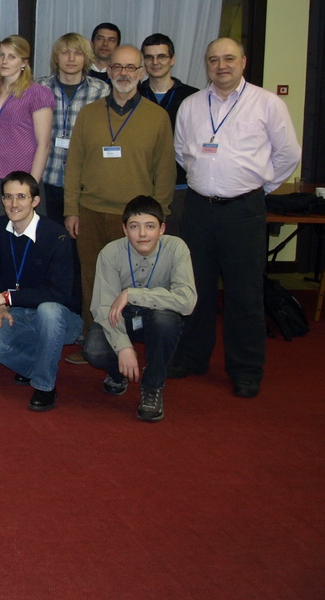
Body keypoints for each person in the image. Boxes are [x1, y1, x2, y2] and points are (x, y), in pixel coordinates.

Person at [170, 38, 301, 398]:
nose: (221, 65)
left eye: (229, 58)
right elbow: (182, 151)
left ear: (243, 61)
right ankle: (192, 357)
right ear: (207, 64)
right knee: (195, 288)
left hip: (244, 210)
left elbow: (289, 154)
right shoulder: (192, 105)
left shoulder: (267, 103)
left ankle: (245, 370)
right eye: (214, 59)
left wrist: (260, 186)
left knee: (244, 294)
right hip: (199, 209)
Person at [63, 45, 175, 362]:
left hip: (135, 220)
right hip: (90, 213)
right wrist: (71, 209)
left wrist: (156, 220)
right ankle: (92, 343)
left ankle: (129, 345)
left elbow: (165, 172)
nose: (123, 73)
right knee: (92, 281)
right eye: (117, 67)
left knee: (135, 285)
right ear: (108, 71)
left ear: (141, 72)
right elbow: (74, 165)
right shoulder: (89, 114)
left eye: (130, 67)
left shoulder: (157, 117)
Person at [87, 195, 197, 422]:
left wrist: (133, 294)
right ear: (124, 229)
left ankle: (153, 385)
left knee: (165, 321)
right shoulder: (110, 252)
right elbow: (103, 307)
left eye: (150, 226)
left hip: (157, 316)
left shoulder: (176, 248)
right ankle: (119, 373)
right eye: (134, 227)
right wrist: (123, 347)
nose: (143, 234)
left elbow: (187, 301)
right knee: (94, 350)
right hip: (121, 316)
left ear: (162, 229)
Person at [0, 172, 81, 411]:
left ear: (35, 201)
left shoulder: (56, 235)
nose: (14, 204)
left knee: (48, 310)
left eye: (21, 197)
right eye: (8, 197)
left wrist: (7, 297)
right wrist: (1, 307)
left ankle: (45, 386)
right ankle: (42, 367)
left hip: (62, 319)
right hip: (19, 313)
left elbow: (59, 293)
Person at [0, 35, 55, 243]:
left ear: (24, 62)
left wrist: (29, 189)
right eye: (1, 55)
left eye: (12, 57)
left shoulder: (37, 93)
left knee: (21, 242)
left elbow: (44, 145)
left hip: (21, 181)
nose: (4, 61)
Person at [38, 33, 109, 225]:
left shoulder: (101, 91)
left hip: (83, 183)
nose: (71, 59)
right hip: (46, 178)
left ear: (86, 58)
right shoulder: (40, 88)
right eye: (65, 53)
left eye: (78, 53)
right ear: (56, 57)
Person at [139, 32, 199, 233]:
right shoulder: (134, 95)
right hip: (141, 184)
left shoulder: (192, 97)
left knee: (176, 243)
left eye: (161, 56)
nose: (155, 62)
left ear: (172, 59)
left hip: (180, 186)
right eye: (149, 57)